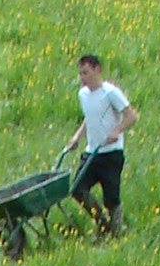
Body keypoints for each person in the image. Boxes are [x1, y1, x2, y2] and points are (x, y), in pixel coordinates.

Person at [56, 51, 138, 237]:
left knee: (111, 197)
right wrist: (77, 137)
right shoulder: (83, 95)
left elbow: (131, 116)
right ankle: (101, 224)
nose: (83, 77)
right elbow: (89, 118)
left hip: (111, 153)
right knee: (77, 189)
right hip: (92, 152)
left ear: (97, 70)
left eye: (86, 72)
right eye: (81, 73)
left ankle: (116, 230)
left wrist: (117, 131)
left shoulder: (110, 93)